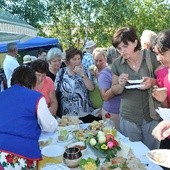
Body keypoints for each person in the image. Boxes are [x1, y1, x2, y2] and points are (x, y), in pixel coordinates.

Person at [111, 27, 160, 150]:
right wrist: (121, 84)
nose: (122, 51)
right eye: (118, 48)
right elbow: (114, 90)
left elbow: (163, 82)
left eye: (125, 46)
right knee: (133, 155)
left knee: (152, 155)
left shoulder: (151, 57)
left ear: (135, 42)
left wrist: (152, 82)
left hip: (151, 116)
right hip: (129, 117)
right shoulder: (117, 64)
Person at [0, 66, 58, 170]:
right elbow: (49, 126)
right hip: (18, 153)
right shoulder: (35, 96)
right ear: (32, 83)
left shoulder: (2, 95)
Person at [55, 47, 101, 123]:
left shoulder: (85, 71)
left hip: (85, 113)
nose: (77, 61)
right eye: (74, 59)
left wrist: (82, 74)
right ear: (68, 60)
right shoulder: (61, 72)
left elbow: (91, 88)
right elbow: (56, 90)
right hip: (67, 115)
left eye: (79, 59)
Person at [93, 48, 121, 130]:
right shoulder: (105, 74)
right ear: (114, 59)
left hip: (122, 112)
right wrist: (117, 87)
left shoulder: (119, 71)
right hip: (112, 113)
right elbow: (104, 96)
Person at [152, 29, 170, 152]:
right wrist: (163, 100)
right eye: (156, 54)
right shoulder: (163, 73)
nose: (158, 58)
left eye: (162, 53)